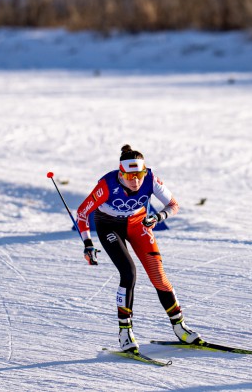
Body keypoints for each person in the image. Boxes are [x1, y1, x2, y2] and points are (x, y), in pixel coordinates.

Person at [76, 144, 201, 354]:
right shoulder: (107, 185)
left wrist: (159, 216)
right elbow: (82, 212)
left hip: (137, 224)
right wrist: (88, 243)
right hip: (109, 225)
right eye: (129, 176)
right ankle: (125, 333)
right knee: (128, 273)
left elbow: (173, 205)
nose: (135, 181)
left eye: (139, 175)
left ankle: (180, 327)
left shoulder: (151, 179)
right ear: (120, 173)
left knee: (159, 276)